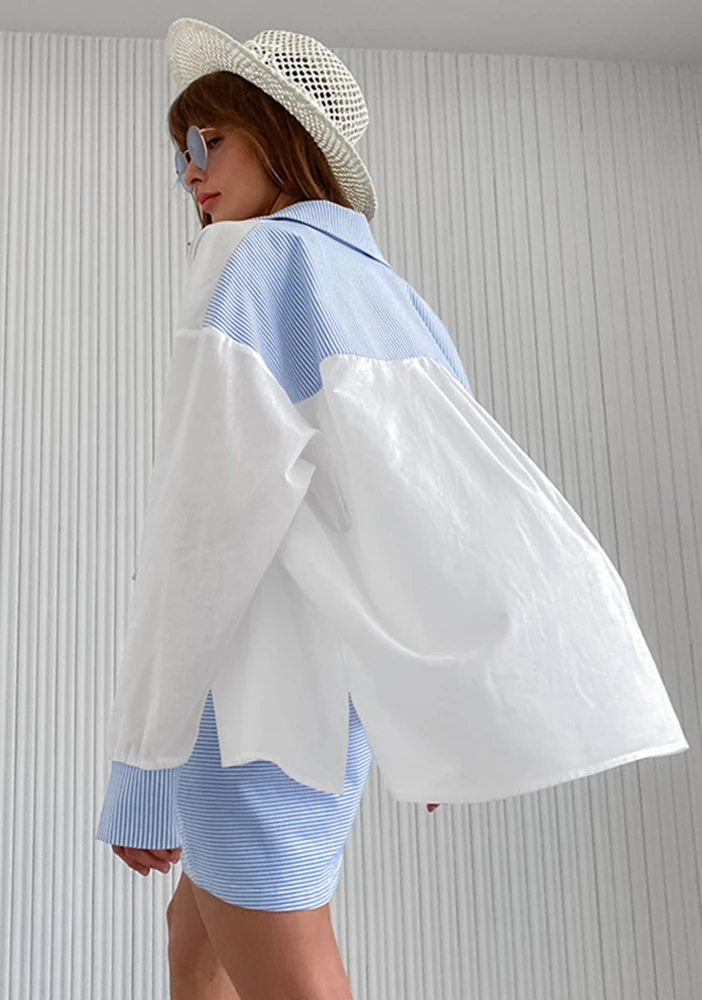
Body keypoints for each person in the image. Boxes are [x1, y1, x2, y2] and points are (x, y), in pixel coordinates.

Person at [95, 18, 690, 1000]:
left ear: (281, 136)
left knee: (288, 969)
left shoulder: (253, 263)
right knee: (194, 940)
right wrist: (443, 709)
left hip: (247, 705)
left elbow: (201, 530)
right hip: (328, 704)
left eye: (211, 139)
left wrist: (142, 761)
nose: (189, 169)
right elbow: (447, 503)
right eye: (180, 149)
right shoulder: (388, 294)